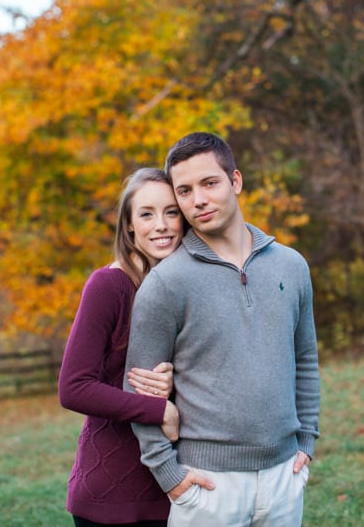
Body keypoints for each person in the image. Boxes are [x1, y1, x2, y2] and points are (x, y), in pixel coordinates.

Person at [123, 132, 321, 526]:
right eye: (184, 190)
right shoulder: (167, 282)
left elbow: (305, 359)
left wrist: (307, 439)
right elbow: (140, 389)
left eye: (209, 183)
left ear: (235, 182)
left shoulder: (291, 265)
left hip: (285, 474)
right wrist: (168, 474)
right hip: (207, 486)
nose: (197, 199)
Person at [59, 167, 187, 527]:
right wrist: (157, 410)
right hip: (112, 495)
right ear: (129, 225)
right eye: (146, 214)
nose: (160, 224)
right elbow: (73, 388)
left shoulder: (187, 284)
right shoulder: (109, 285)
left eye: (171, 211)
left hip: (180, 483)